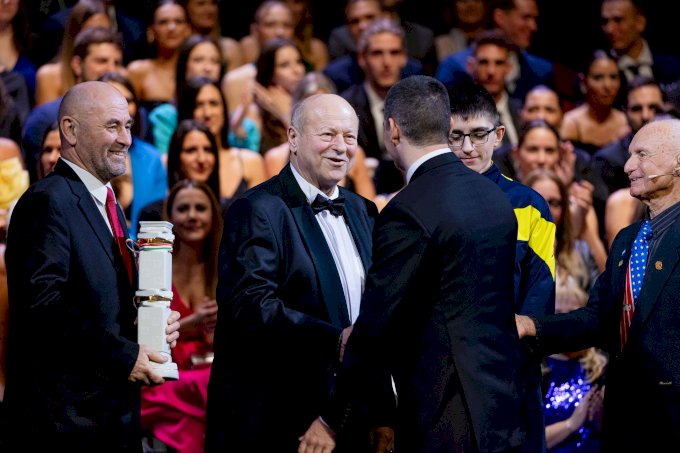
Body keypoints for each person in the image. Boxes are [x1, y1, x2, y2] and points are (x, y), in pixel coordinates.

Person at [300, 76, 527, 452]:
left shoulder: (406, 211)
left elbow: (377, 324)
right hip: (503, 412)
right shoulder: (494, 196)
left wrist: (332, 418)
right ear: (447, 125)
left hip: (444, 421)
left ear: (392, 129)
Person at [3, 81, 181, 451]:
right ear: (70, 130)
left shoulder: (105, 202)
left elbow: (101, 304)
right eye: (112, 126)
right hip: (63, 427)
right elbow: (44, 308)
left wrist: (148, 326)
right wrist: (124, 355)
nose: (125, 139)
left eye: (128, 126)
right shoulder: (46, 202)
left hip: (110, 419)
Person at [205, 93, 379, 452]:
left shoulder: (364, 211)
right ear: (293, 138)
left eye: (349, 136)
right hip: (278, 420)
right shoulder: (256, 208)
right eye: (327, 134)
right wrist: (334, 339)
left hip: (348, 417)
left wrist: (380, 412)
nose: (341, 147)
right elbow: (250, 307)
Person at [516, 118, 680, 450]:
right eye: (629, 155)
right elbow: (597, 318)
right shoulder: (627, 239)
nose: (629, 166)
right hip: (623, 421)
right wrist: (533, 326)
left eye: (642, 155)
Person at [448, 81, 555, 452]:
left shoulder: (530, 205)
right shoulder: (425, 202)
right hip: (444, 379)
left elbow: (540, 294)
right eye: (456, 136)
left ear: (498, 135)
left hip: (513, 374)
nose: (467, 148)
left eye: (478, 135)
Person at [141, 179, 221, 453]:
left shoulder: (226, 266)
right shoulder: (152, 265)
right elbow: (144, 335)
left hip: (212, 369)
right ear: (170, 216)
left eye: (201, 208)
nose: (192, 216)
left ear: (213, 215)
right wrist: (192, 323)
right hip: (167, 375)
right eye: (183, 209)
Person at [560, 49, 629, 155]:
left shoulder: (627, 122)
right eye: (598, 78)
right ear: (584, 81)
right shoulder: (570, 124)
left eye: (613, 77)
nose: (607, 86)